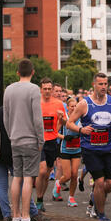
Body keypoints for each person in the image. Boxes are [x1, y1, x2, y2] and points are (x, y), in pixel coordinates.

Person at [66, 73, 111, 221]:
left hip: (107, 147)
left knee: (110, 184)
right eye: (101, 84)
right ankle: (101, 213)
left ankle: (94, 197)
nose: (104, 87)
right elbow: (69, 122)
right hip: (90, 148)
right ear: (94, 85)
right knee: (99, 182)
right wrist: (81, 130)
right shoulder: (84, 103)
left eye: (105, 84)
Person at [3, 58, 45, 221]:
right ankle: (27, 216)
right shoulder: (34, 89)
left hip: (15, 139)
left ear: (17, 72)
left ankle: (16, 215)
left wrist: (11, 135)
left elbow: (6, 116)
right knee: (28, 178)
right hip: (30, 140)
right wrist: (40, 139)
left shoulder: (9, 89)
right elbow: (37, 118)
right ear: (33, 72)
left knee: (16, 177)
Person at [35, 78, 66, 211]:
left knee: (47, 173)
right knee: (41, 171)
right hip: (39, 141)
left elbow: (64, 122)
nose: (47, 91)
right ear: (41, 89)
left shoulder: (58, 104)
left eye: (49, 89)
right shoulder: (36, 103)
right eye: (45, 89)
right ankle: (37, 200)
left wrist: (61, 119)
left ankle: (40, 199)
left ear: (52, 90)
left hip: (52, 141)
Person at [56, 97, 82, 206]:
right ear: (68, 107)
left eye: (76, 106)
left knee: (75, 174)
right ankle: (58, 183)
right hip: (65, 149)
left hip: (77, 149)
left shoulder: (81, 118)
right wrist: (64, 137)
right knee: (67, 176)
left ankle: (71, 198)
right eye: (72, 106)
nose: (74, 108)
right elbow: (54, 132)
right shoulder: (64, 118)